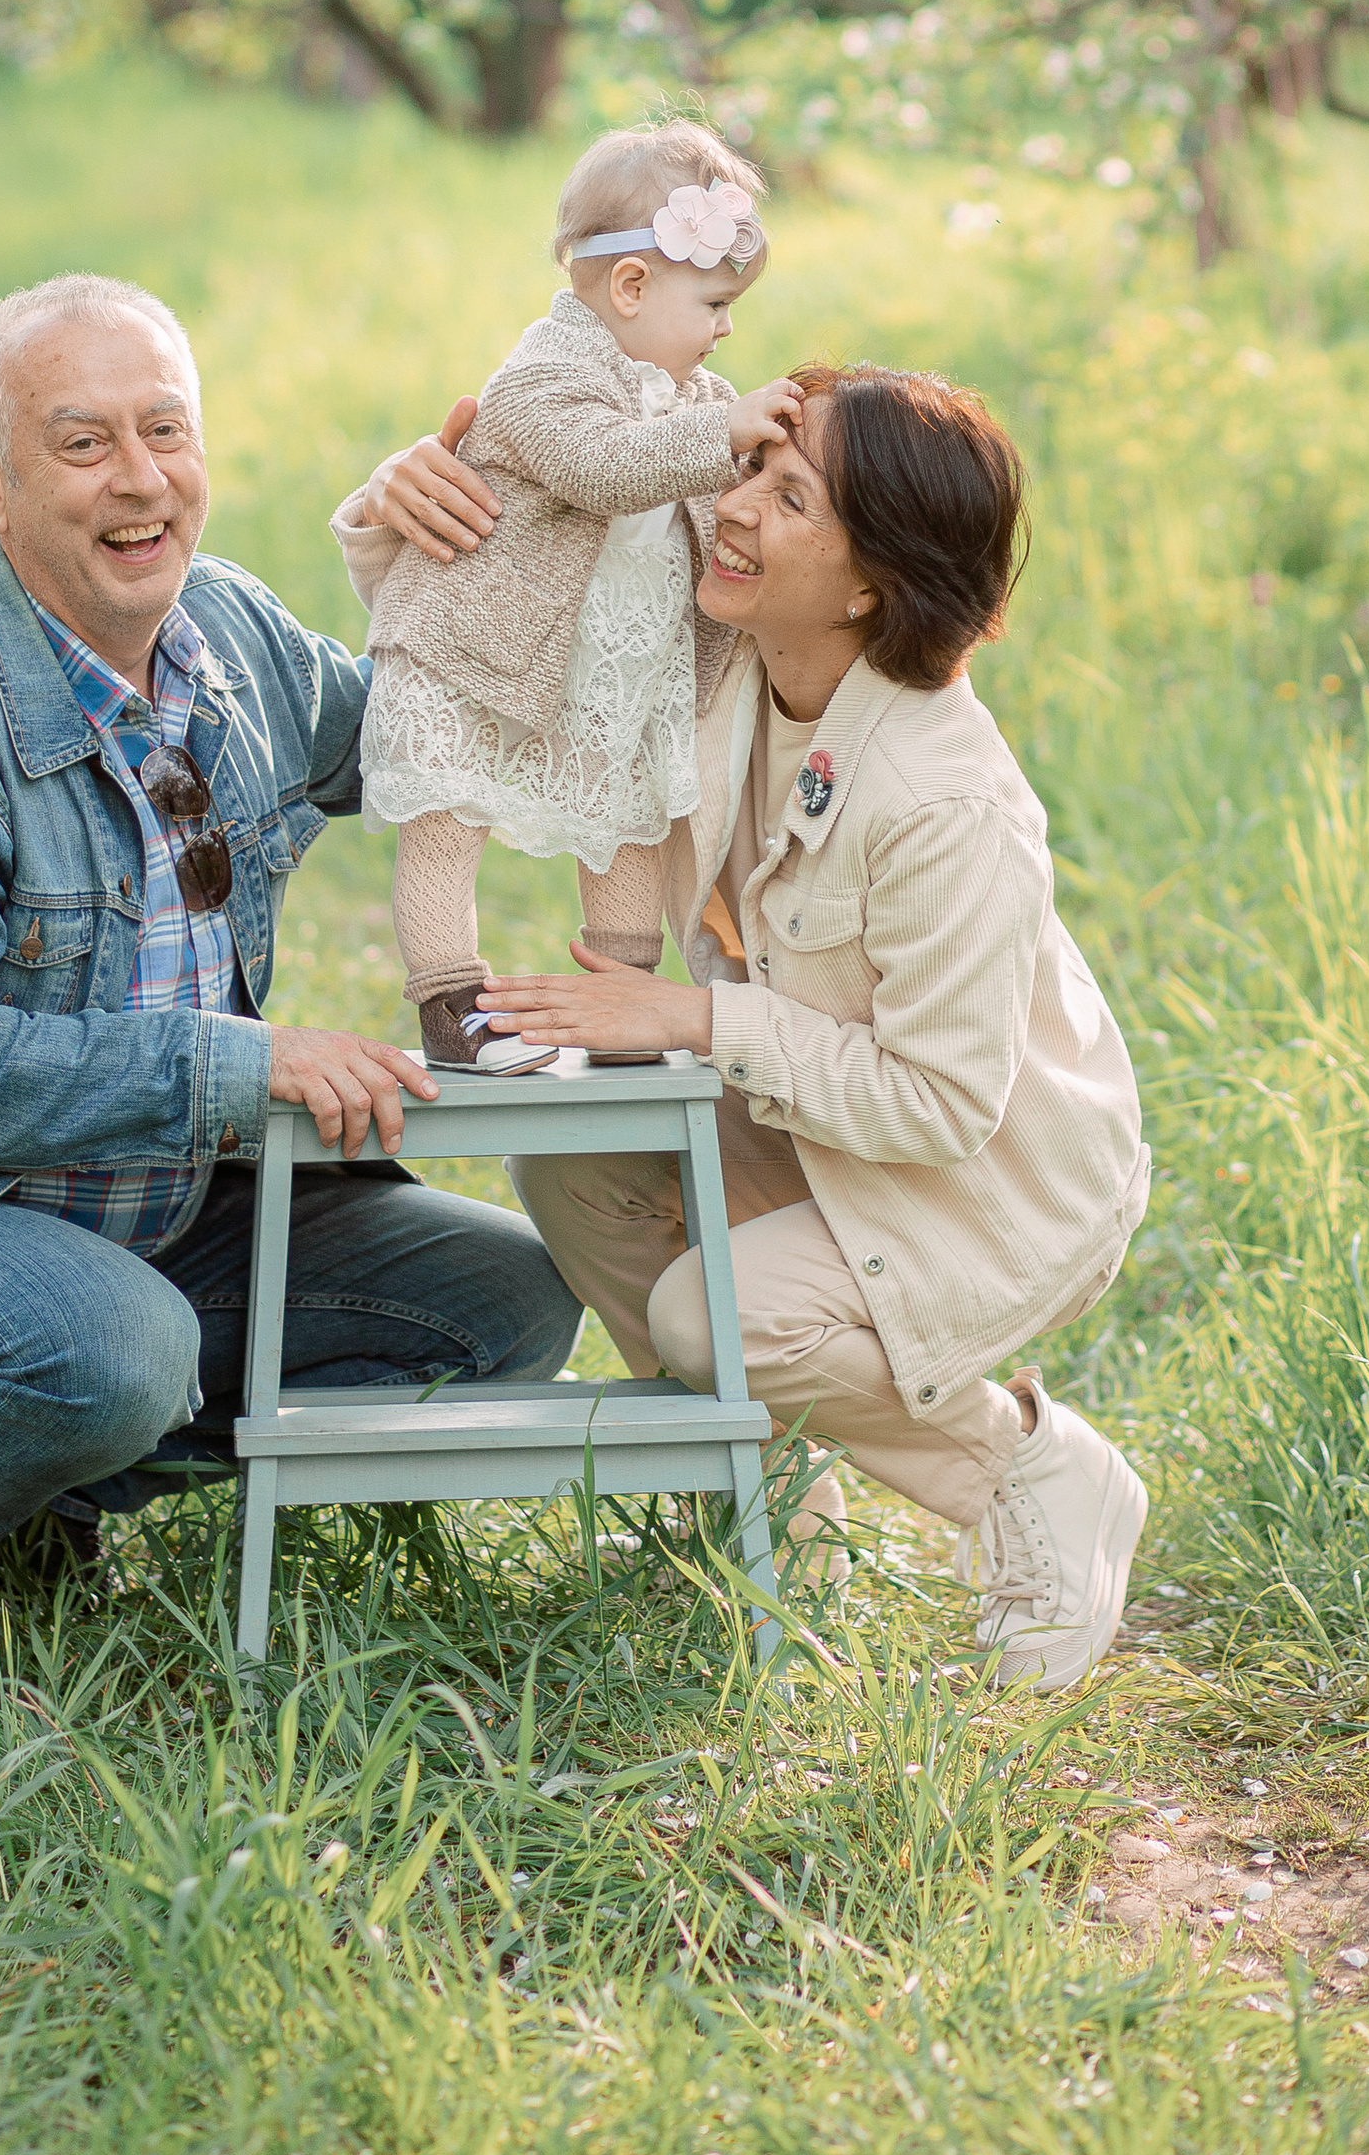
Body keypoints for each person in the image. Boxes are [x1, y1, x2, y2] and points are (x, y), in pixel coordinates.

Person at [0, 273, 581, 1742]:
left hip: (154, 1208)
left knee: (508, 1305)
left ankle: (29, 1492)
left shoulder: (227, 633)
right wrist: (244, 1069)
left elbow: (427, 739)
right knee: (112, 1355)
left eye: (166, 432)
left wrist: (472, 528)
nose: (140, 481)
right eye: (84, 443)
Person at [338, 364, 1151, 1692]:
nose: (733, 507)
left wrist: (692, 1017)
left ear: (869, 585)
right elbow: (507, 648)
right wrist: (402, 512)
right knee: (571, 1156)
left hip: (980, 1175)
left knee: (719, 1318)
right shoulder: (728, 658)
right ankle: (760, 1512)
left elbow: (944, 1105)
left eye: (789, 496)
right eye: (749, 468)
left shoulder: (945, 801)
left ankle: (1036, 1475)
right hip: (816, 1117)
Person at [359, 119, 801, 1077]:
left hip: (614, 663)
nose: (728, 327)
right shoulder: (540, 379)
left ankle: (622, 999)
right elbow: (598, 467)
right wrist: (723, 429)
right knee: (449, 814)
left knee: (628, 822)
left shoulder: (690, 393)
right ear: (632, 289)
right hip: (476, 653)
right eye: (716, 302)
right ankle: (451, 1000)